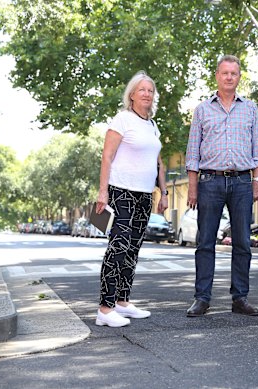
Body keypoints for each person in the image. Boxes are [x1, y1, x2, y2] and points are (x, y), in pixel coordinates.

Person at [185, 55, 258, 317]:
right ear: (217, 76)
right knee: (205, 242)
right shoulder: (202, 110)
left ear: (239, 77)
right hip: (210, 181)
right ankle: (202, 298)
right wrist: (193, 188)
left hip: (243, 181)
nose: (229, 77)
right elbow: (193, 153)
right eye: (225, 73)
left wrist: (256, 180)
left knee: (242, 241)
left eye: (234, 73)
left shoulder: (251, 108)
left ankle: (240, 299)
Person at [95, 71, 168, 327]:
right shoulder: (122, 119)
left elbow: (158, 162)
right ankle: (105, 308)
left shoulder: (152, 124)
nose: (147, 94)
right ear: (132, 95)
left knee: (133, 248)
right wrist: (103, 192)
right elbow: (107, 156)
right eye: (142, 90)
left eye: (150, 90)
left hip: (145, 194)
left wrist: (164, 192)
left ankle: (122, 302)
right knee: (119, 246)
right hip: (121, 190)